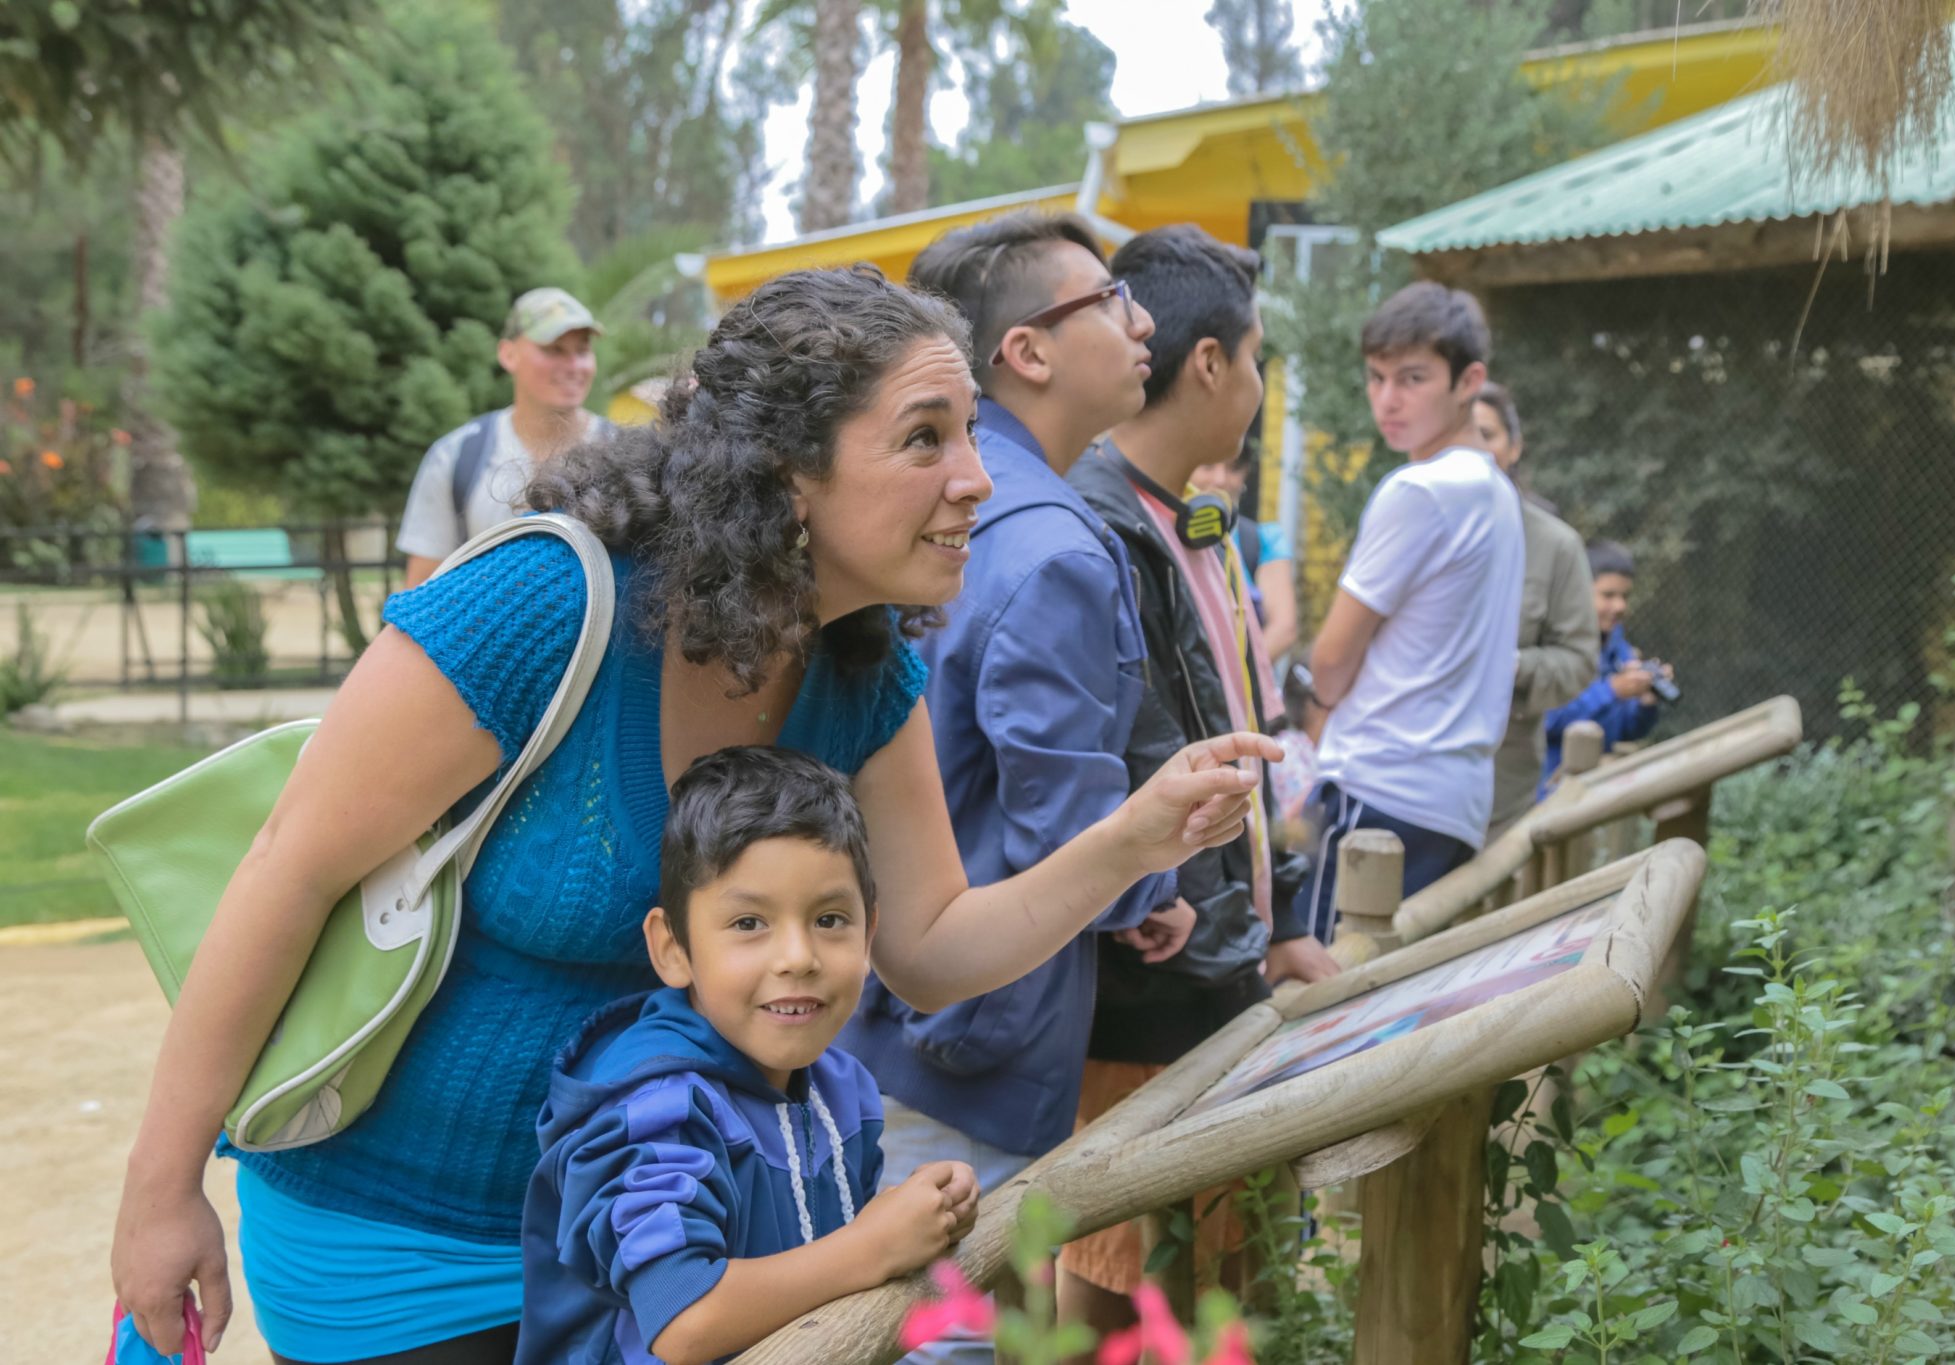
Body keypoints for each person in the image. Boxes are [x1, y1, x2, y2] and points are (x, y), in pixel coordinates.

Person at [111, 265, 1278, 1364]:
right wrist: (163, 1191)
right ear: (784, 471)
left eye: (970, 433)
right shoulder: (548, 601)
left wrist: (1136, 836)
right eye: (925, 437)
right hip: (393, 1237)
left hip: (648, 1241)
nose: (975, 476)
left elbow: (925, 950)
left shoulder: (864, 670)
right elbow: (288, 868)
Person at [836, 213, 1188, 1364]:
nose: (1141, 324)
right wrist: (1155, 887)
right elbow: (1060, 821)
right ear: (1026, 350)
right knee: (952, 1327)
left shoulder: (946, 520)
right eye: (1107, 299)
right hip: (972, 1028)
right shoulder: (1052, 547)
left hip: (879, 1002)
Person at [1063, 224, 1341, 1337]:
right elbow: (1126, 768)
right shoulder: (1095, 527)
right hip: (1155, 975)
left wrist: (1275, 928)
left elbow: (1238, 731)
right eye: (1258, 355)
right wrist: (1217, 936)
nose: (1263, 383)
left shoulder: (1198, 524)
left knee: (1205, 1258)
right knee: (1113, 1263)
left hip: (1222, 954)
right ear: (1209, 363)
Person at [518, 747, 978, 1365]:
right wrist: (873, 1247)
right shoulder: (660, 1112)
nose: (797, 956)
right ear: (673, 947)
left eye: (830, 918)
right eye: (748, 923)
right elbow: (685, 1320)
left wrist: (924, 1213)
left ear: (869, 935)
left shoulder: (842, 1089)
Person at [1296, 281, 1524, 936]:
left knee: (1316, 1005)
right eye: (1376, 377)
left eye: (1413, 378)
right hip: (1453, 800)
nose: (1387, 400)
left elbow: (1333, 658)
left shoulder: (1421, 489)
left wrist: (1319, 702)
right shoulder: (1496, 491)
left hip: (1380, 785)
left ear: (1468, 381)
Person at [396, 287, 614, 587]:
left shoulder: (625, 455)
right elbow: (421, 591)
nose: (574, 366)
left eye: (583, 350)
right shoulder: (456, 456)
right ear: (508, 354)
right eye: (554, 349)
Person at [1470, 381, 1598, 836]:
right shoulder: (1412, 524)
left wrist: (1513, 667)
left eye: (1486, 434)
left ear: (1514, 446)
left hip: (1500, 792)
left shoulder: (1555, 546)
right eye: (1462, 434)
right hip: (1407, 782)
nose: (1474, 448)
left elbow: (1580, 660)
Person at [1543, 540, 1672, 781]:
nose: (1620, 606)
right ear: (1578, 592)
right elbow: (1547, 720)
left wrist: (1645, 703)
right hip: (1546, 785)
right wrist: (1613, 690)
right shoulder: (1551, 642)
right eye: (1608, 595)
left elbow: (1625, 731)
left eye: (1625, 596)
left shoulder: (1617, 645)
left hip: (1597, 782)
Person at [1190, 450, 1298, 661]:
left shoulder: (1263, 540)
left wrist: (1234, 682)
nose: (1220, 480)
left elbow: (1284, 628)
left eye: (1233, 468)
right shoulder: (1162, 534)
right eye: (1207, 465)